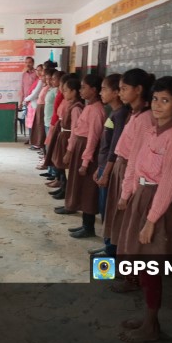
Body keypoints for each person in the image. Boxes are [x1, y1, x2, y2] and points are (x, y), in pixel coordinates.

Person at [116, 76, 172, 343]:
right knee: (139, 259)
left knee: (151, 265)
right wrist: (126, 192)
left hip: (157, 204)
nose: (158, 105)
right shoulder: (149, 131)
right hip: (140, 196)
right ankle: (148, 318)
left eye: (166, 100)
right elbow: (134, 163)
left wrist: (151, 221)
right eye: (156, 99)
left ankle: (151, 324)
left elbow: (169, 184)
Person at [99, 68, 155, 264]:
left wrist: (126, 191)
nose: (120, 93)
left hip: (128, 173)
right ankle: (113, 254)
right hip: (121, 168)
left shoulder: (145, 118)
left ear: (138, 90)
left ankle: (120, 263)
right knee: (115, 216)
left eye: (124, 89)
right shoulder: (134, 114)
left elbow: (136, 158)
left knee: (124, 219)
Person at [64, 74, 106, 237]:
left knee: (88, 190)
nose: (80, 91)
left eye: (83, 87)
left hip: (88, 152)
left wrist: (85, 162)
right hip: (81, 148)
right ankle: (84, 224)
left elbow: (93, 138)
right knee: (81, 187)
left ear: (93, 90)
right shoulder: (89, 106)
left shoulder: (96, 110)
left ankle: (89, 227)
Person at [93, 73, 127, 221]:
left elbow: (115, 148)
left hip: (109, 167)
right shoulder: (114, 112)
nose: (101, 93)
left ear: (115, 93)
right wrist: (99, 168)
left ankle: (108, 237)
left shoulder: (121, 115)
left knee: (107, 207)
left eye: (104, 89)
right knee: (102, 205)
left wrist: (106, 173)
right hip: (103, 165)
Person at [52, 76, 85, 214]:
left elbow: (75, 130)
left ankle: (70, 201)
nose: (63, 93)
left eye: (66, 90)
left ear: (74, 91)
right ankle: (65, 195)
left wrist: (70, 150)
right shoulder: (71, 105)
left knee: (69, 172)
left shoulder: (76, 108)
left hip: (70, 141)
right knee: (65, 170)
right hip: (66, 138)